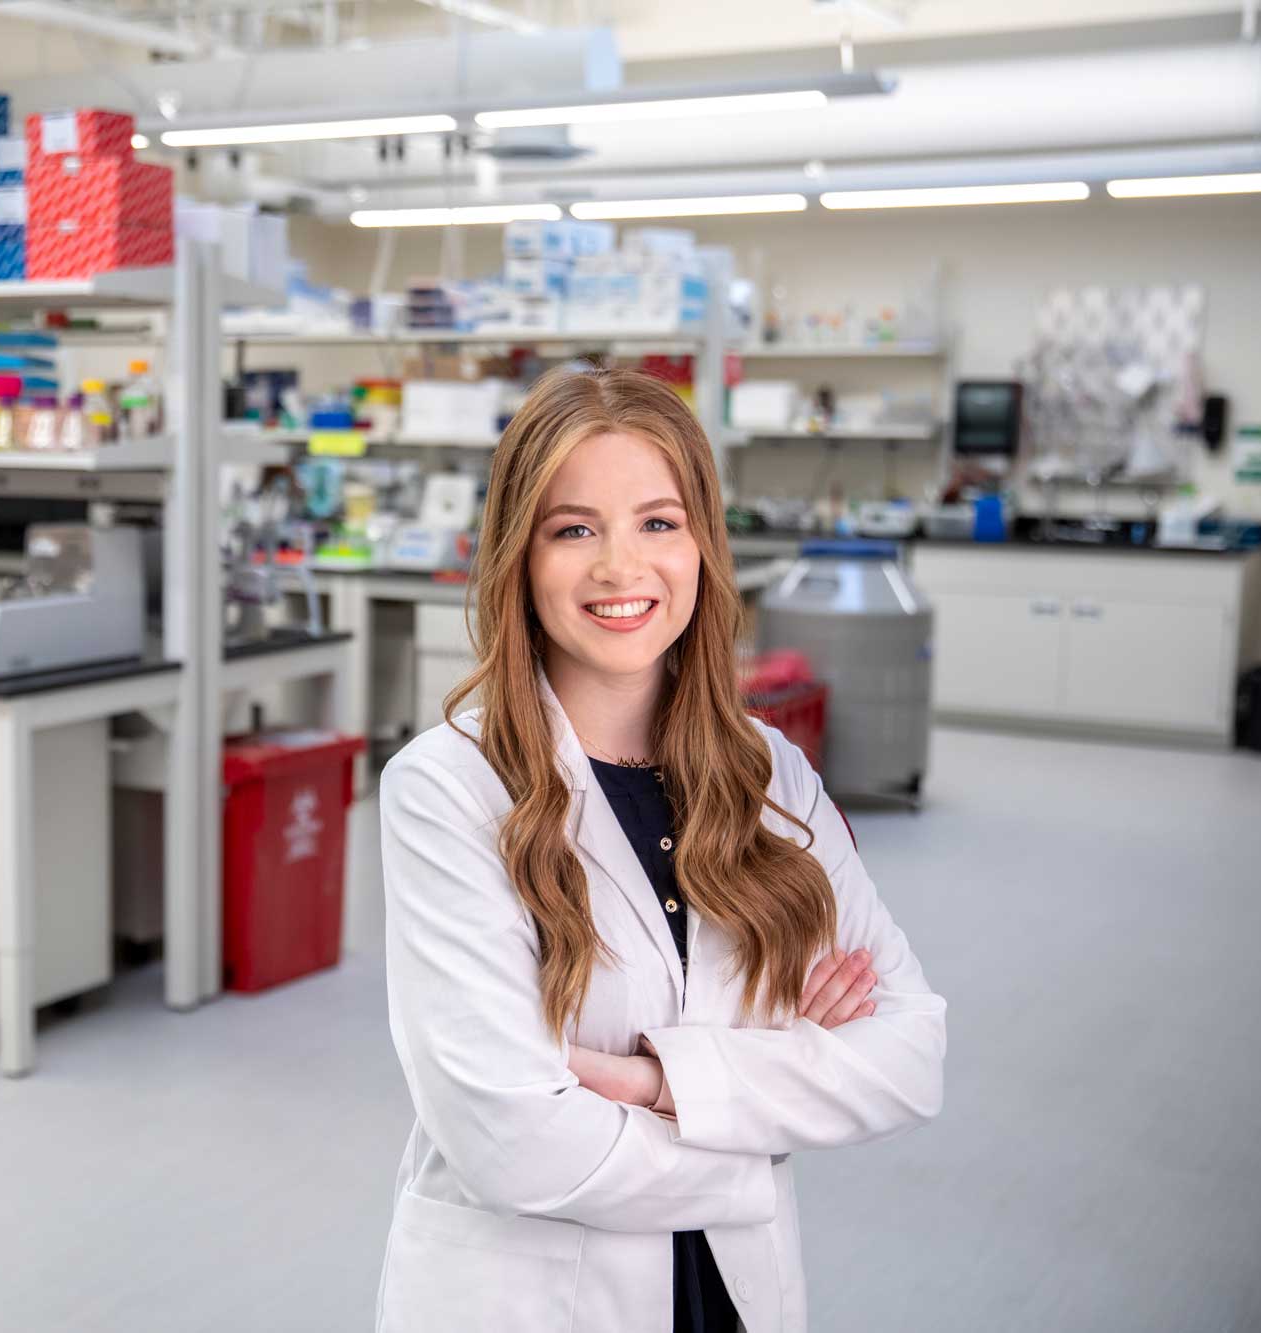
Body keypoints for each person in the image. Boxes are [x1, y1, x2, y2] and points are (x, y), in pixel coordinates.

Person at [376, 367, 946, 1333]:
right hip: (531, 1298)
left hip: (732, 1294)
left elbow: (908, 1054)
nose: (619, 567)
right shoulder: (446, 788)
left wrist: (653, 1081)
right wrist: (758, 1117)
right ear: (518, 557)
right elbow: (512, 1139)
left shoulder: (771, 774)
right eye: (573, 528)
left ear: (703, 547)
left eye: (657, 522)